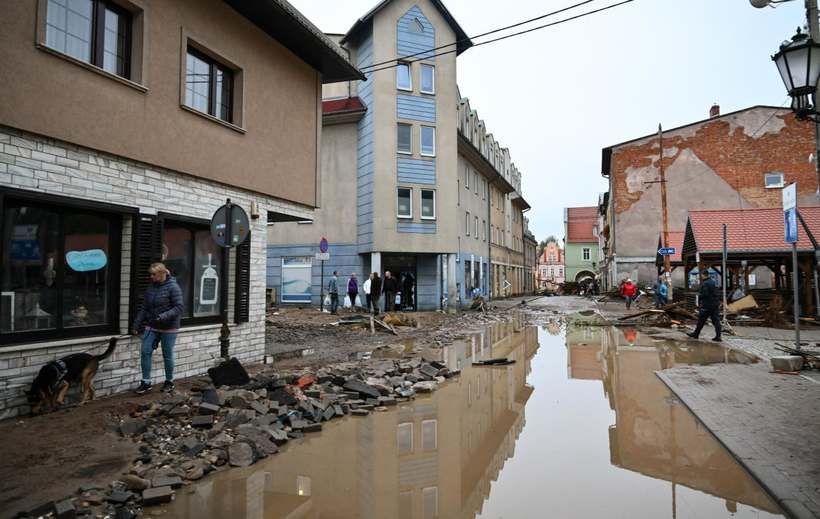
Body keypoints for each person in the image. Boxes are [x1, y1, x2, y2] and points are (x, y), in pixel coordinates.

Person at [132, 262, 184, 394]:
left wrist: (163, 316)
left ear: (161, 274)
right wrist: (136, 325)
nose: (151, 277)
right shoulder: (151, 287)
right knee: (145, 351)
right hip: (152, 325)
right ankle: (146, 382)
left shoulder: (173, 287)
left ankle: (169, 382)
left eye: (153, 274)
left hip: (169, 326)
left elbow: (179, 307)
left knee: (167, 354)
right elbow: (144, 308)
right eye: (150, 274)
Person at [687, 270, 721, 341]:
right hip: (715, 305)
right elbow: (717, 293)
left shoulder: (705, 283)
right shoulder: (714, 282)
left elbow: (705, 294)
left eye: (701, 275)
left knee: (701, 320)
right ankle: (718, 336)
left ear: (704, 275)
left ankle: (696, 334)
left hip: (707, 305)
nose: (701, 277)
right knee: (716, 321)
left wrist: (698, 297)